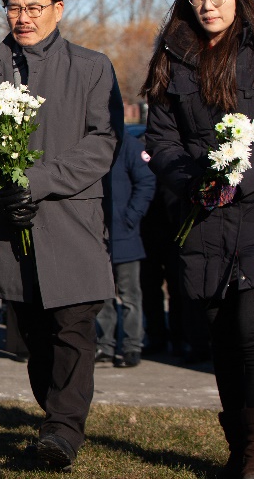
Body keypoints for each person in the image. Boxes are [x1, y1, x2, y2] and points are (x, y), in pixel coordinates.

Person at [142, 0, 254, 479]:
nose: (207, 4)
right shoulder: (173, 58)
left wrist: (242, 176)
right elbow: (161, 139)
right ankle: (239, 446)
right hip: (202, 213)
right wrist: (195, 181)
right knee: (220, 333)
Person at [0, 0, 123, 471]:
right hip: (10, 225)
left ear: (58, 10)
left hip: (70, 220)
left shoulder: (92, 67)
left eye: (34, 8)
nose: (23, 18)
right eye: (14, 7)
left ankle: (63, 431)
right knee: (32, 333)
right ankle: (55, 415)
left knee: (73, 327)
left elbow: (103, 143)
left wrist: (39, 180)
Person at [96, 129, 156, 368]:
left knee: (130, 296)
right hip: (98, 237)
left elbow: (146, 182)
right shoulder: (95, 145)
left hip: (125, 236)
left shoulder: (130, 147)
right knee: (103, 296)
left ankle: (132, 346)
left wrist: (129, 218)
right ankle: (105, 345)